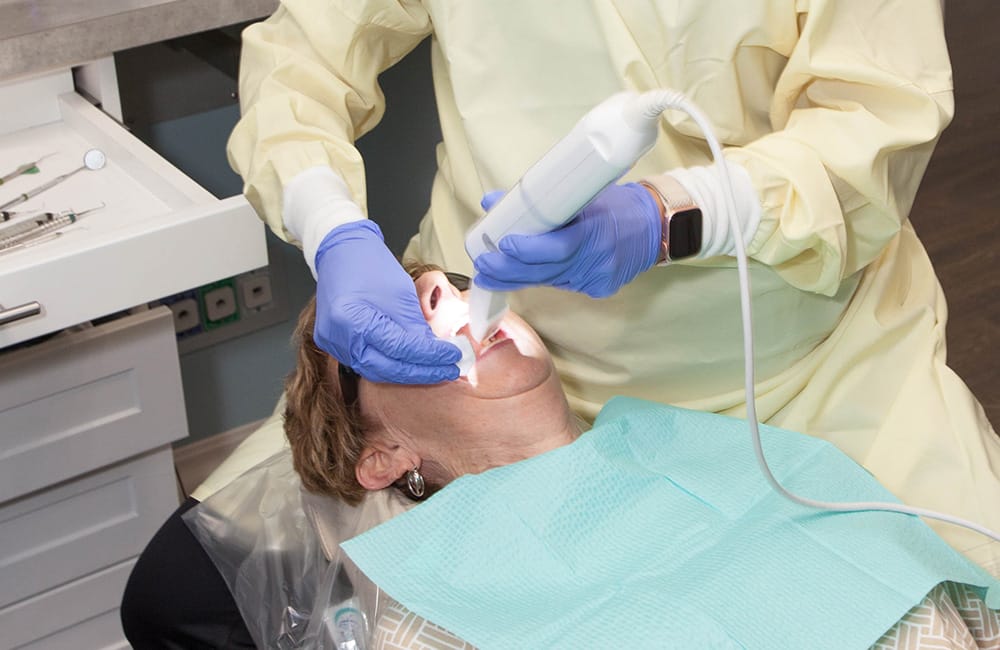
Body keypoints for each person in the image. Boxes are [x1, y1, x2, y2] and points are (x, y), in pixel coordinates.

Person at [220, 0, 1000, 574]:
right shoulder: (424, 439)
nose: (434, 302)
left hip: (812, 370)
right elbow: (304, 57)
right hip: (525, 368)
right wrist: (334, 230)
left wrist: (673, 216)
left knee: (968, 578)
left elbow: (877, 122)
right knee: (202, 574)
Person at [124, 266, 1000, 649]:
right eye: (400, 324)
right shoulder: (432, 624)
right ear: (382, 456)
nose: (446, 294)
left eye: (449, 285)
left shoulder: (738, 457)